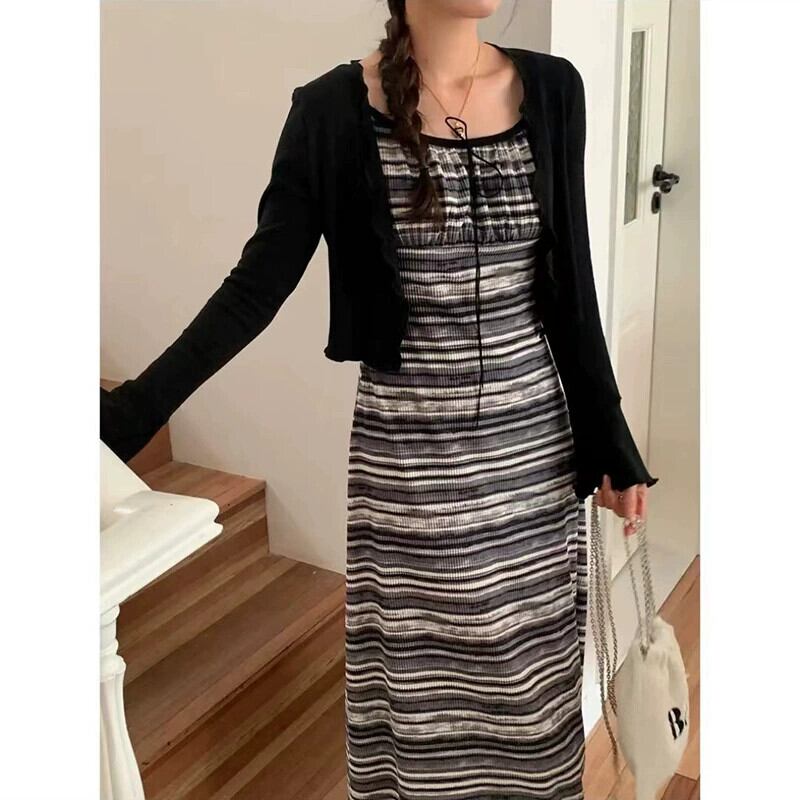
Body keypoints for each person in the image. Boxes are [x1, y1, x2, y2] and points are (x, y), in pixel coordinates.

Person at [101, 1, 658, 796]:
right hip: (409, 476)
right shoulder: (330, 113)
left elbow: (572, 290)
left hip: (533, 464)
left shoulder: (552, 90)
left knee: (530, 703)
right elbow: (254, 290)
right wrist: (125, 417)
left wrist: (611, 440)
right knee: (424, 706)